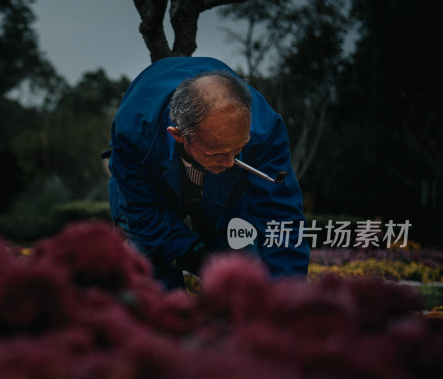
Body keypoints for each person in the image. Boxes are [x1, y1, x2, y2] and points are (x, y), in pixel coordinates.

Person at [106, 57, 310, 290]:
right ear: (179, 135)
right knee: (151, 276)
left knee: (247, 276)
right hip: (151, 195)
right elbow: (144, 214)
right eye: (218, 153)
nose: (231, 162)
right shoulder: (133, 133)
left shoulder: (266, 130)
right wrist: (199, 260)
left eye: (239, 148)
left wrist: (288, 295)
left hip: (227, 199)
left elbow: (281, 217)